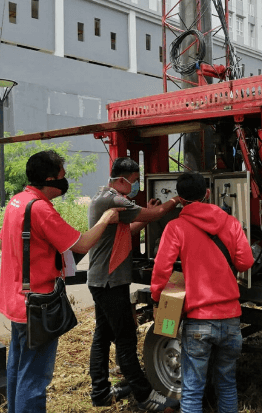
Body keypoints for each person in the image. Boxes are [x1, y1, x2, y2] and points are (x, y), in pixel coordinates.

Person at [0, 150, 123, 413]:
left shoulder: (17, 201)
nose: (65, 182)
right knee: (34, 379)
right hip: (37, 306)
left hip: (15, 301)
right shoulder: (40, 208)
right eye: (62, 177)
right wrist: (106, 218)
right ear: (49, 179)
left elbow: (2, 242)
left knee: (17, 368)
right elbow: (82, 244)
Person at [151, 171, 255, 413]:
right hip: (230, 318)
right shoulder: (230, 222)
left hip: (199, 321)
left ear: (180, 198)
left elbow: (162, 268)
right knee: (227, 384)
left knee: (193, 389)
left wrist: (158, 298)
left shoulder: (176, 227)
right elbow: (245, 262)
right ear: (207, 193)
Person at [87, 156, 181, 411]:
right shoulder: (114, 199)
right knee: (126, 338)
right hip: (109, 282)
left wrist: (148, 215)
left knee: (103, 335)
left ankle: (101, 392)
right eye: (134, 182)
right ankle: (145, 396)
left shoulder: (104, 196)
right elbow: (158, 212)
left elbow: (126, 230)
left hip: (102, 280)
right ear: (121, 180)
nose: (135, 187)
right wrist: (176, 200)